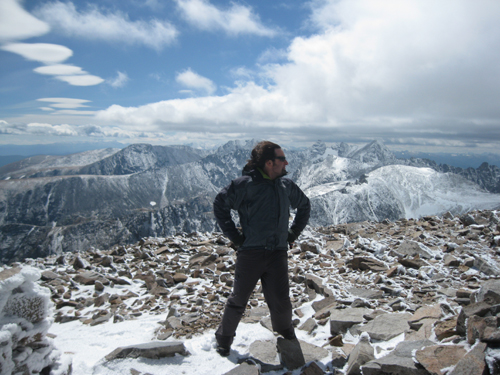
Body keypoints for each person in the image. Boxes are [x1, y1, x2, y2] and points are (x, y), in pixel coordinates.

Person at [213, 140, 311, 356]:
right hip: (251, 253)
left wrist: (292, 234)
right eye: (281, 159)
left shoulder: (286, 186)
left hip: (277, 253)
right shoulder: (244, 185)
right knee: (239, 299)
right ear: (269, 163)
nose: (286, 163)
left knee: (281, 301)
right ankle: (223, 340)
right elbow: (220, 204)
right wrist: (236, 238)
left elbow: (305, 205)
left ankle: (287, 338)